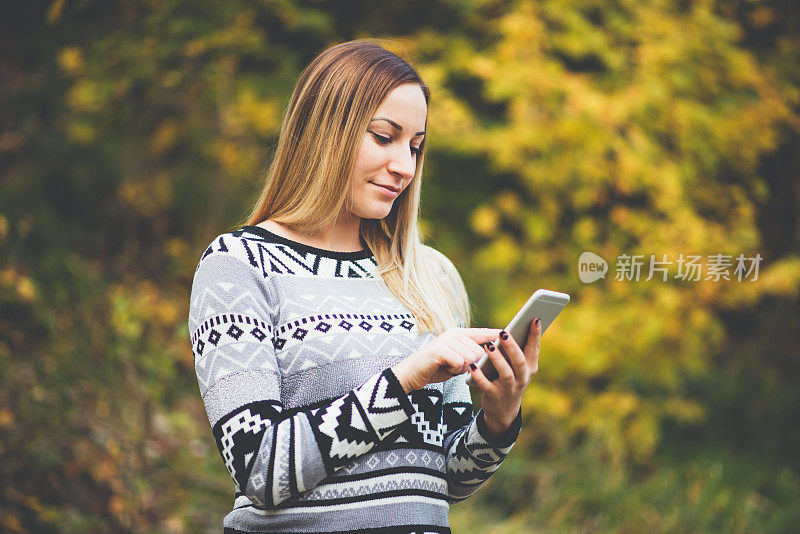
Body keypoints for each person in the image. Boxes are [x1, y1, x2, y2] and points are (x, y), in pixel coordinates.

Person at [187, 39, 543, 534]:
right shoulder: (239, 265)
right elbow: (258, 470)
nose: (406, 166)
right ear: (324, 132)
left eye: (416, 146)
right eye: (383, 137)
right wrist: (405, 380)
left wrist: (498, 417)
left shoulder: (431, 276)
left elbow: (445, 482)